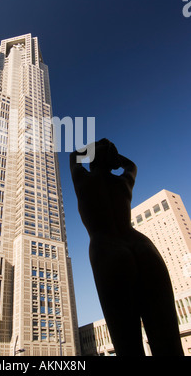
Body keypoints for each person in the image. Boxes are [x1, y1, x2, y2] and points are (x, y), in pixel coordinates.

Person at [70, 139, 184, 356]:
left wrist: (96, 148)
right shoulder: (124, 181)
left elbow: (74, 157)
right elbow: (132, 165)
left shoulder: (83, 179)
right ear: (112, 161)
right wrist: (113, 154)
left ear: (91, 159)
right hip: (143, 246)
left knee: (128, 346)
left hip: (107, 248)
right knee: (168, 342)